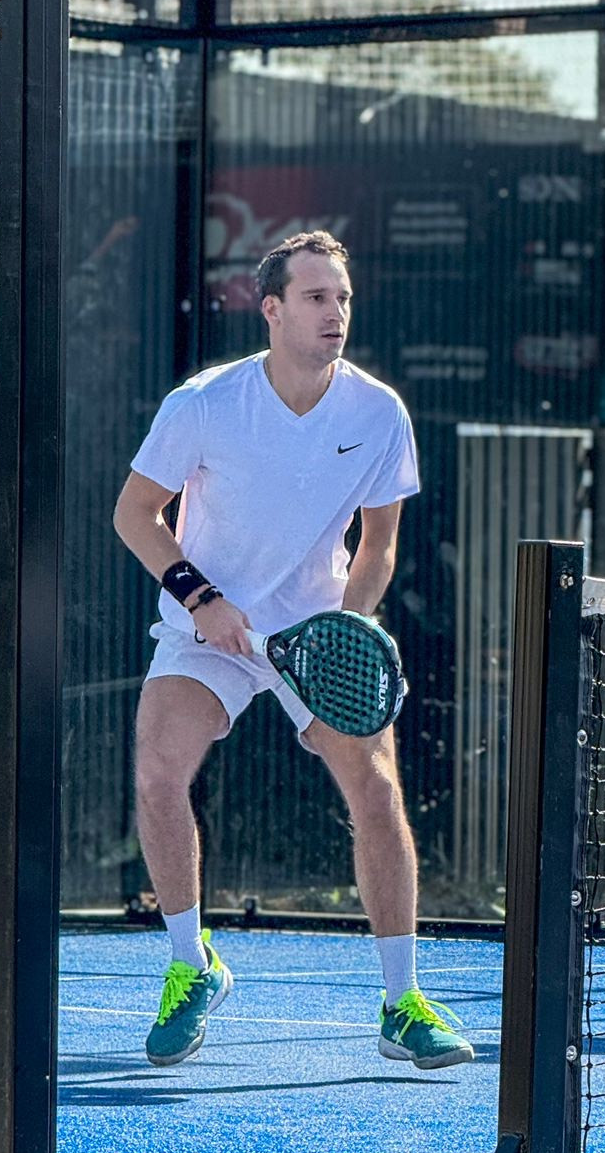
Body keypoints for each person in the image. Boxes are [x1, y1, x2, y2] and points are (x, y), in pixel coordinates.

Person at [112, 229, 473, 1072]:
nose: (335, 312)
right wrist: (202, 600)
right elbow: (135, 515)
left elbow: (379, 544)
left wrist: (342, 630)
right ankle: (191, 966)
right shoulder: (205, 403)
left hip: (316, 632)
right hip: (209, 627)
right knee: (157, 770)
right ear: (270, 309)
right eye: (316, 298)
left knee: (376, 792)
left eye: (342, 297)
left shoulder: (378, 412)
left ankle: (402, 1003)